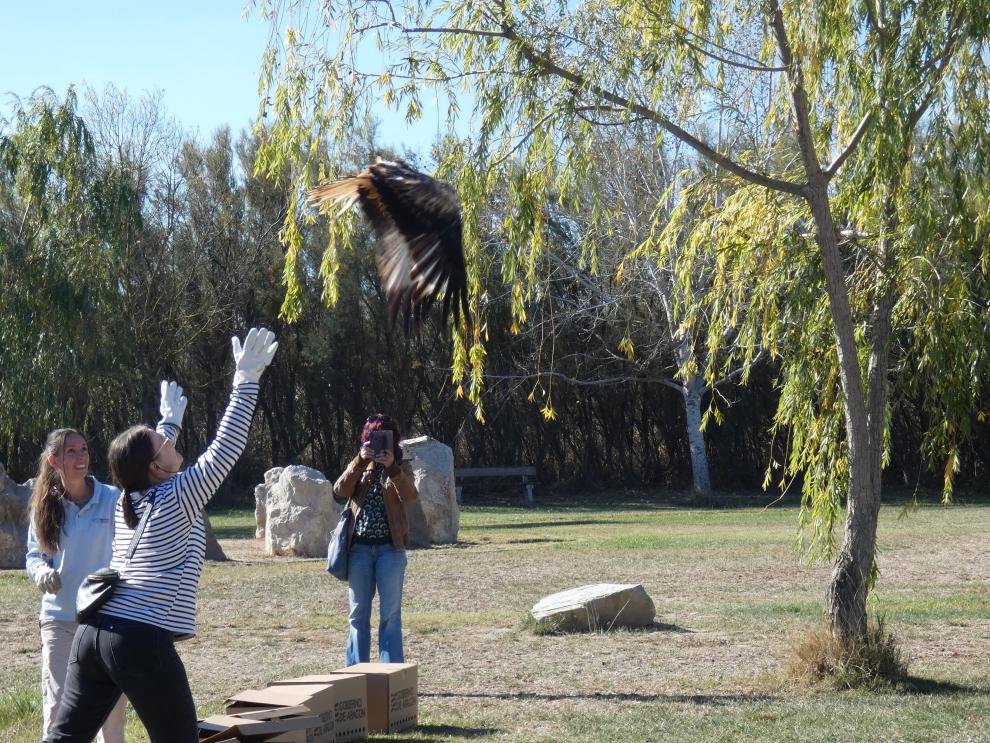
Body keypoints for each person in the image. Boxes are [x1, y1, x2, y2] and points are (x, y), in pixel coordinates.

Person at [45, 327, 278, 743]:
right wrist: (245, 381)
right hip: (139, 638)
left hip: (92, 634)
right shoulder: (178, 495)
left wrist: (167, 421)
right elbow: (226, 447)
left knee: (64, 739)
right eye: (164, 440)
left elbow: (146, 459)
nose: (172, 441)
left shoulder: (124, 502)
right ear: (155, 466)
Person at [25, 428, 128, 743]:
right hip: (60, 619)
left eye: (84, 449)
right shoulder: (45, 507)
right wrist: (42, 572)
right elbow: (33, 556)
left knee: (111, 711)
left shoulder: (112, 499)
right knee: (58, 705)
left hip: (108, 619)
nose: (81, 457)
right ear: (55, 460)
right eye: (71, 452)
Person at [333, 413, 418, 666]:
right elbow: (339, 490)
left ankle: (391, 674)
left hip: (390, 550)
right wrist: (359, 461)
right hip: (359, 549)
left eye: (384, 438)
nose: (378, 444)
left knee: (390, 615)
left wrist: (393, 468)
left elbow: (411, 497)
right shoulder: (361, 464)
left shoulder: (402, 467)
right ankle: (355, 673)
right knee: (358, 615)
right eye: (373, 438)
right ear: (365, 439)